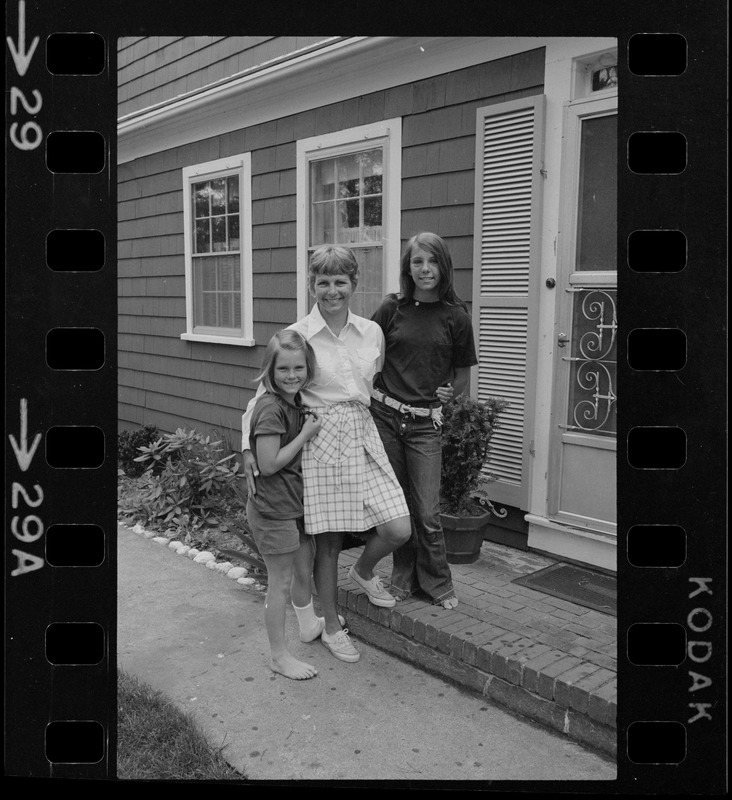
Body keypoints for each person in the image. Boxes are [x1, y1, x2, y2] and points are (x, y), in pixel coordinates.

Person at [242, 245, 411, 664]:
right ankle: (332, 626)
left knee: (398, 527)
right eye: (323, 282)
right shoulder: (299, 335)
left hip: (364, 432)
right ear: (312, 285)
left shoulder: (371, 331)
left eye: (340, 281)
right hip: (320, 440)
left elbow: (373, 386)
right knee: (329, 543)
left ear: (354, 283)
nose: (331, 290)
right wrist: (247, 445)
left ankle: (364, 572)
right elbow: (264, 393)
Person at [370, 232, 479, 610]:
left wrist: (452, 394)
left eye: (432, 261)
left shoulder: (456, 317)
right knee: (398, 509)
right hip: (384, 418)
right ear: (408, 267)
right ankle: (403, 578)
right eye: (418, 262)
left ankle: (437, 582)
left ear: (443, 266)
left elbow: (461, 380)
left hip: (424, 426)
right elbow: (365, 356)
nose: (425, 269)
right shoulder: (390, 309)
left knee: (427, 512)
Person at [246, 329, 324, 680]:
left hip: (286, 505)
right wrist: (306, 436)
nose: (292, 376)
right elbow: (268, 463)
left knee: (292, 575)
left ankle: (300, 633)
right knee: (278, 583)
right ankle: (278, 655)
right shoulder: (270, 409)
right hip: (272, 508)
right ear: (269, 371)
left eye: (298, 368)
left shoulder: (292, 403)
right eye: (283, 370)